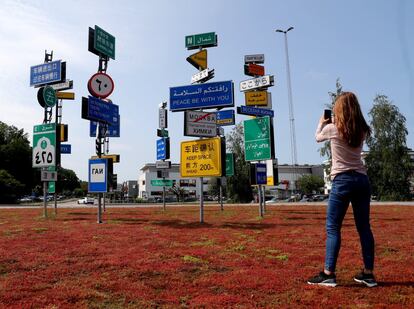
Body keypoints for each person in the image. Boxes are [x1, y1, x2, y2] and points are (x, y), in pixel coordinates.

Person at [307, 92, 377, 287]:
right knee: (364, 228)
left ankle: (328, 273)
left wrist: (321, 121)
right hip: (362, 179)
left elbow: (317, 137)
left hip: (342, 180)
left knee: (333, 227)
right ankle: (368, 274)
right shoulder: (362, 129)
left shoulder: (332, 128)